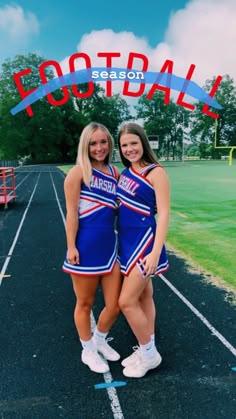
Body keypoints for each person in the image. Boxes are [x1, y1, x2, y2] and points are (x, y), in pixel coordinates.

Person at [62, 122, 121, 374]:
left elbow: (118, 208)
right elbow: (72, 214)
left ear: (109, 143)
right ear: (85, 145)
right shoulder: (78, 172)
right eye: (93, 143)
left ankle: (99, 339)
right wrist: (71, 246)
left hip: (110, 246)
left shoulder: (115, 172)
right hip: (85, 248)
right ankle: (87, 349)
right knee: (85, 303)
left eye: (103, 141)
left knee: (116, 303)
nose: (99, 147)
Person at [116, 122, 170, 378]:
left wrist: (155, 251)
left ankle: (150, 355)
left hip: (145, 243)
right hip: (126, 241)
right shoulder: (125, 173)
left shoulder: (155, 172)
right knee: (143, 296)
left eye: (133, 143)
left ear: (143, 143)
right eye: (125, 145)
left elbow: (165, 213)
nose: (129, 149)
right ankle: (147, 346)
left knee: (126, 301)